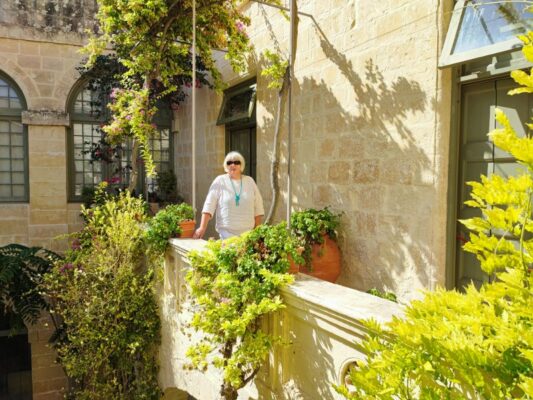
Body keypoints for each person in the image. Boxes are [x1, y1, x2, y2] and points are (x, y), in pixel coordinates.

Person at [193, 151, 264, 240]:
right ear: (226, 165)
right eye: (229, 162)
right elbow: (209, 205)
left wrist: (257, 233)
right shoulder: (220, 181)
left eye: (236, 162)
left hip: (248, 237)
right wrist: (202, 228)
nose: (232, 165)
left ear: (241, 165)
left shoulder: (250, 181)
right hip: (226, 236)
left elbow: (258, 208)